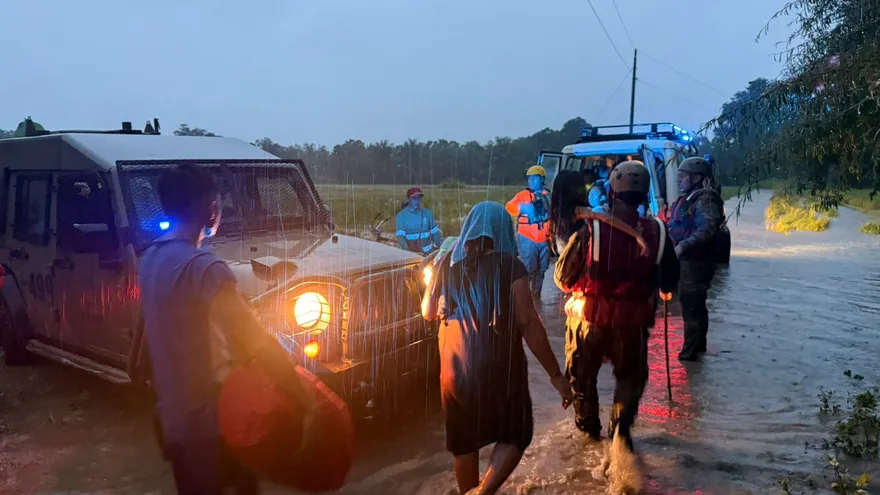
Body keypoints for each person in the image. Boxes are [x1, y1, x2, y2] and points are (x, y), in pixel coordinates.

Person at [139, 164, 306, 495]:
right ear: (210, 208)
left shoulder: (149, 259)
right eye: (217, 204)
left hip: (174, 424)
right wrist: (299, 394)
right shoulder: (206, 269)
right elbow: (254, 341)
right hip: (217, 428)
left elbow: (148, 342)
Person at [422, 201, 574, 495]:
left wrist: (441, 262)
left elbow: (428, 312)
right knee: (516, 432)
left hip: (454, 372)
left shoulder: (447, 263)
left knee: (464, 441)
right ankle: (483, 492)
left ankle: (469, 490)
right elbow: (528, 323)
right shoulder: (510, 265)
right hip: (498, 367)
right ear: (504, 231)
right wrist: (556, 376)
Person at [554, 161, 679, 492]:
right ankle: (620, 435)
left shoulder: (590, 230)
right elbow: (670, 282)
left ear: (611, 191)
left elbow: (562, 278)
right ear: (643, 195)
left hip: (587, 321)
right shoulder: (659, 232)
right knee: (630, 379)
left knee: (582, 381)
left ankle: (589, 436)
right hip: (631, 325)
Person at [667, 156, 725, 361]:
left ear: (697, 178)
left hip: (696, 263)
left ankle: (690, 352)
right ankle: (697, 346)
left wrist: (682, 246)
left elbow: (707, 229)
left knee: (693, 305)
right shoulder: (689, 198)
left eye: (683, 176)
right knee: (692, 304)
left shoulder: (705, 199)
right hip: (688, 261)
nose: (679, 180)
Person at [505, 166, 552, 297]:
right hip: (527, 238)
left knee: (542, 269)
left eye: (535, 178)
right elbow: (509, 207)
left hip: (545, 239)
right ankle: (523, 297)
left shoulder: (548, 196)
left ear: (542, 179)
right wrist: (523, 208)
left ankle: (536, 296)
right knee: (528, 268)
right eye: (530, 178)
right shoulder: (522, 195)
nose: (531, 181)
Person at [551, 170, 589, 255]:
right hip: (577, 261)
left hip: (564, 261)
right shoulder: (581, 211)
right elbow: (606, 218)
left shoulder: (557, 211)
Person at [396, 187, 443, 255]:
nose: (417, 200)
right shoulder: (401, 216)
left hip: (429, 253)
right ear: (408, 199)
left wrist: (442, 250)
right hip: (411, 254)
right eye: (414, 198)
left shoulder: (428, 213)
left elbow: (435, 234)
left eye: (419, 198)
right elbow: (401, 238)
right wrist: (409, 254)